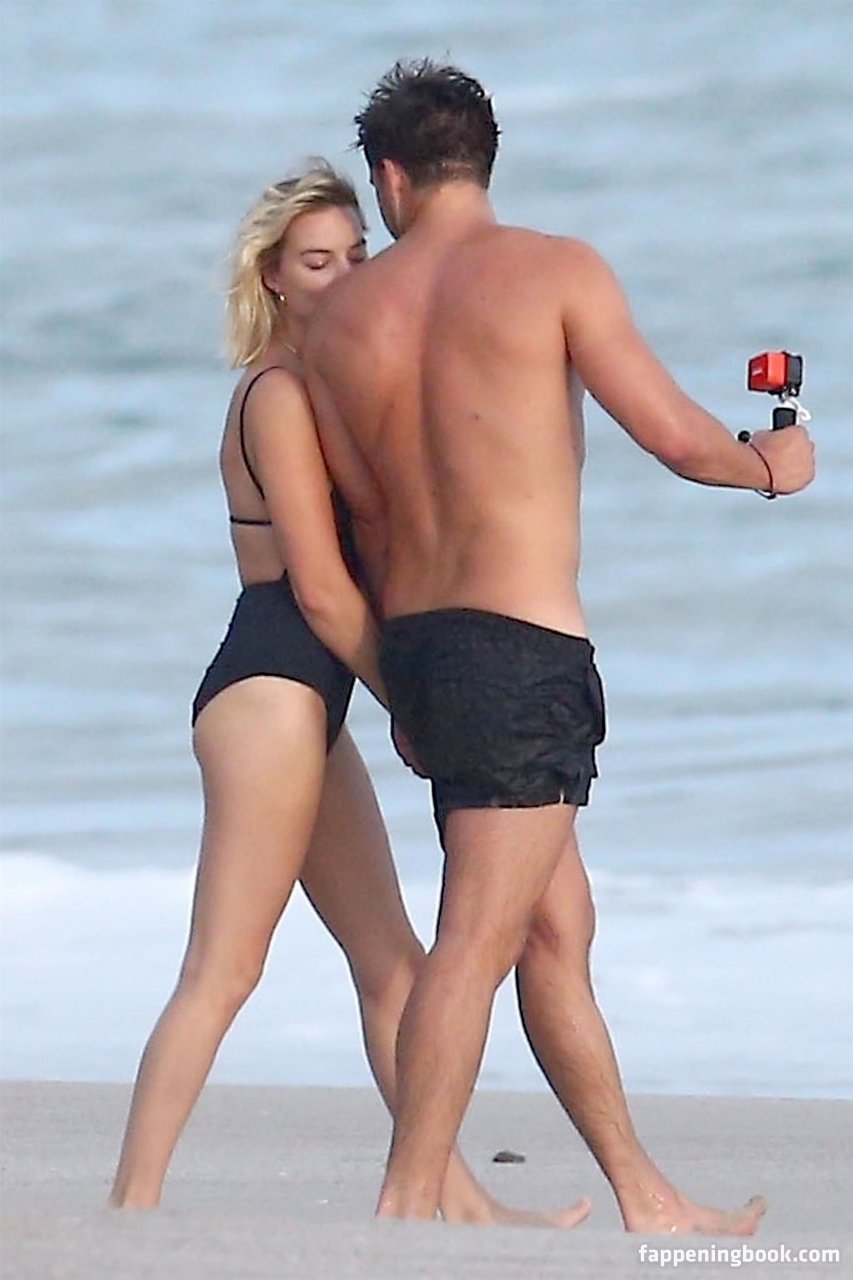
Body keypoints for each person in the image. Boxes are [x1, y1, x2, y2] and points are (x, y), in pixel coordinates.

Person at [303, 61, 816, 1231]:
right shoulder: (554, 270)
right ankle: (407, 1197)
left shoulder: (342, 322)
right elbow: (675, 437)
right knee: (475, 938)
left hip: (424, 646)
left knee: (551, 930)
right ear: (480, 159)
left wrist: (406, 687)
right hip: (521, 652)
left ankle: (646, 1195)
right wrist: (768, 466)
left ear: (391, 176)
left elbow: (365, 521)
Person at [108, 162, 588, 1229]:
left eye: (359, 256)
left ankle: (464, 1207)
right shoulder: (279, 394)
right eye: (317, 262)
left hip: (307, 701)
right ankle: (129, 1209)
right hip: (272, 688)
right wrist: (411, 703)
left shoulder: (330, 382)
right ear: (274, 278)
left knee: (392, 965)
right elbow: (321, 590)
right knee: (224, 969)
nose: (343, 277)